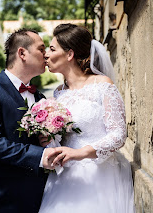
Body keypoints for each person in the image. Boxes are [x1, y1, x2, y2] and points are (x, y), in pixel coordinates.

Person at [39, 24, 135, 212]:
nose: (46, 55)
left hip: (98, 175)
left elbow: (118, 134)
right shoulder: (58, 93)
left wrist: (80, 153)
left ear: (69, 54)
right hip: (64, 177)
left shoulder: (102, 85)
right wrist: (48, 141)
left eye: (51, 49)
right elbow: (62, 140)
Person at [0, 29, 60, 212]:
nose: (46, 54)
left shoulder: (41, 98)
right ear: (22, 53)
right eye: (41, 49)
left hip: (39, 199)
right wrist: (40, 156)